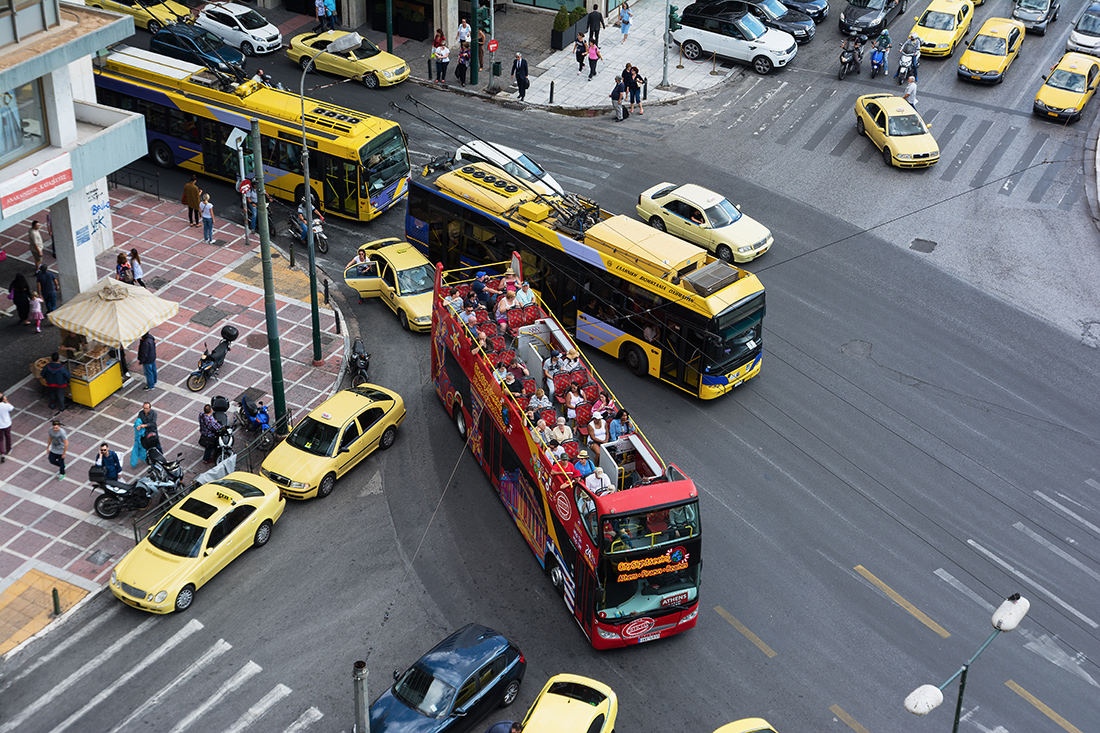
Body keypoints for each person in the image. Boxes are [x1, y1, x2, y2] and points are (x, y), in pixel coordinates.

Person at [0, 392, 12, 463]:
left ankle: (2, 452)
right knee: (8, 436)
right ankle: (8, 449)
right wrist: (6, 401)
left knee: (0, 439)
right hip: (7, 424)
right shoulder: (6, 405)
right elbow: (12, 408)